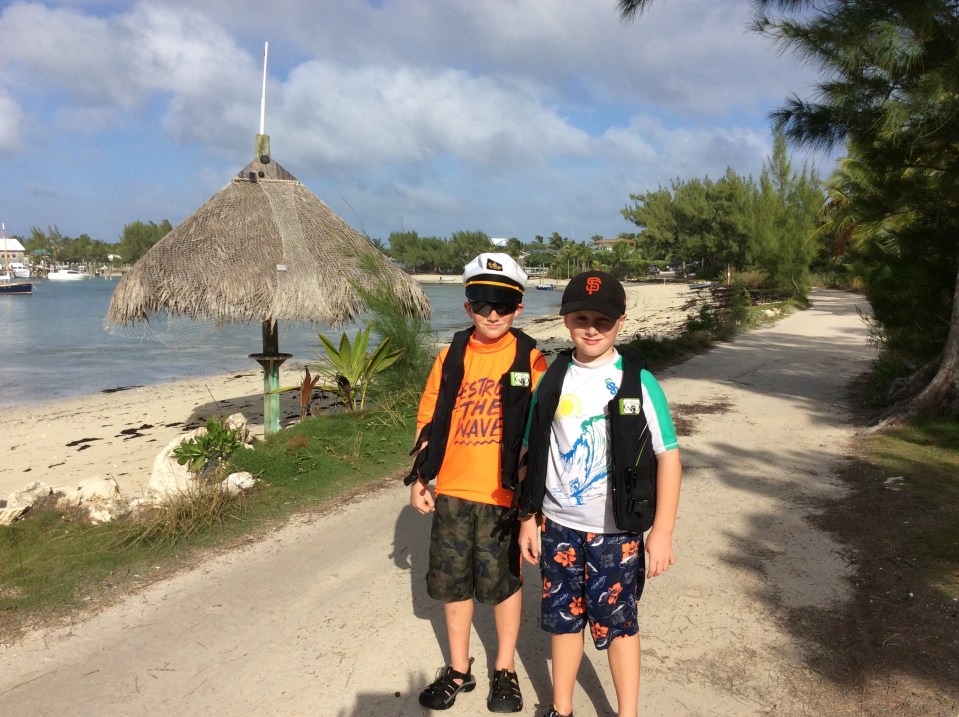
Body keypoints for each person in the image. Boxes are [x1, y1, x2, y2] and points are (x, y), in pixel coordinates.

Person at [517, 270, 682, 717]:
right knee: (563, 621)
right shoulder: (552, 380)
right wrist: (527, 519)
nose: (591, 328)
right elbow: (533, 451)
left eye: (603, 321)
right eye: (581, 318)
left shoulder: (639, 381)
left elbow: (669, 456)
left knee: (620, 626)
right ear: (566, 320)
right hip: (559, 528)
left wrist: (661, 531)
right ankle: (562, 707)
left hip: (617, 534)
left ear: (621, 322)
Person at [406, 252, 548, 712]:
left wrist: (532, 505)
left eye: (502, 305)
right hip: (453, 490)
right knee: (454, 585)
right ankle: (459, 668)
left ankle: (504, 669)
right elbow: (428, 419)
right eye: (482, 304)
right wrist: (420, 478)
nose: (492, 314)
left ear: (518, 307)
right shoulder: (450, 357)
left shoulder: (532, 358)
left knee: (504, 584)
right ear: (467, 306)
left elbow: (541, 434)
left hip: (503, 495)